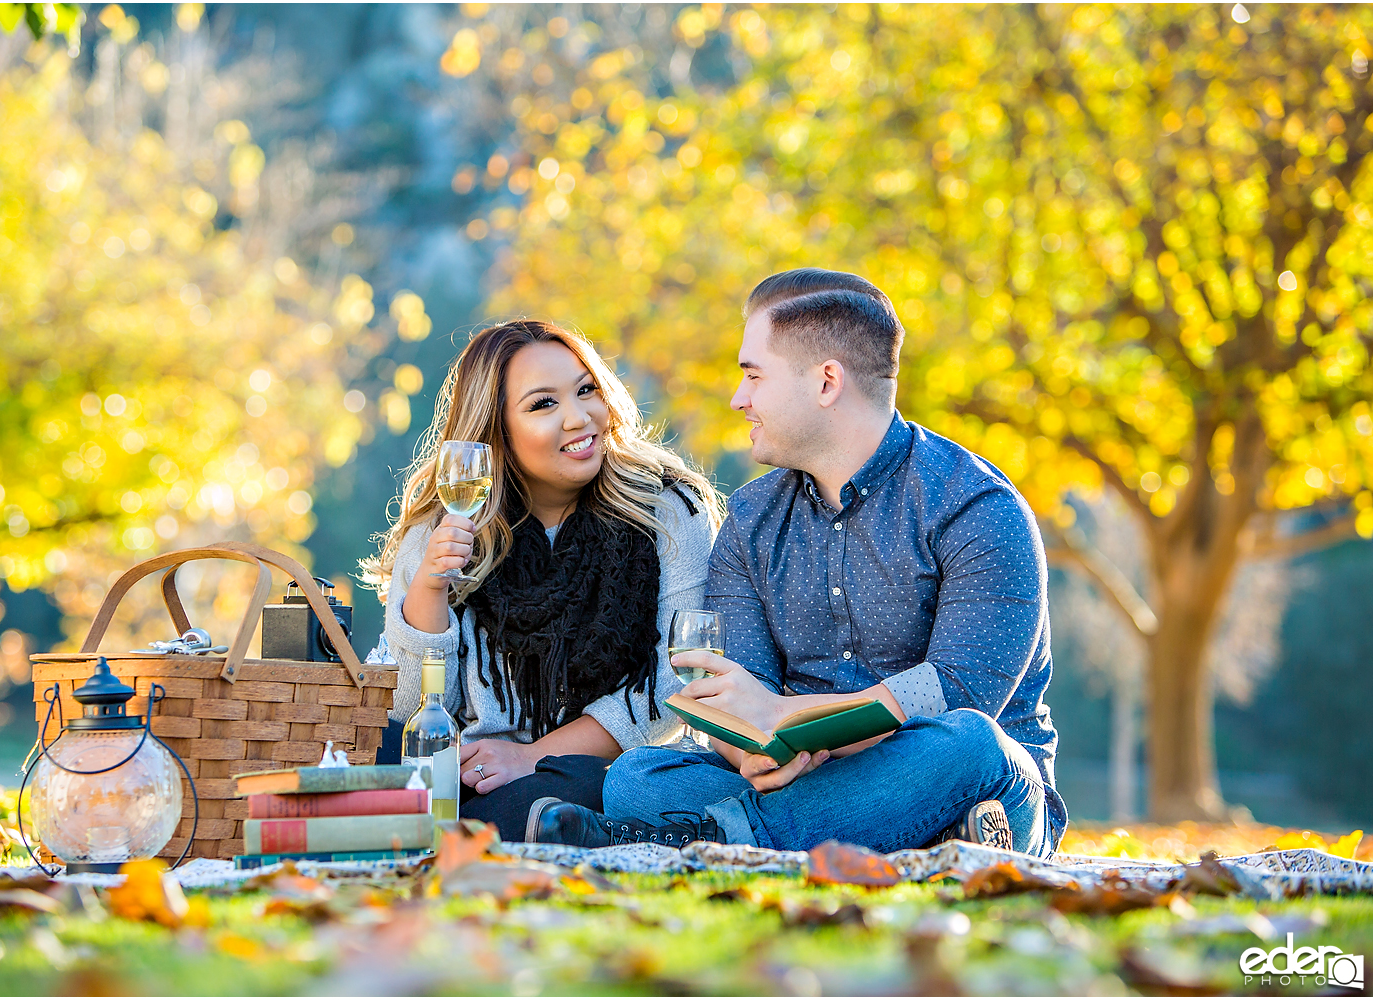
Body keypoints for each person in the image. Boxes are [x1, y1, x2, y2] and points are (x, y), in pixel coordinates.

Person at [533, 269, 1068, 857]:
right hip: (802, 779)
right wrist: (753, 749)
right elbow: (743, 699)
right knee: (636, 776)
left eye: (753, 375)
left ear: (826, 382)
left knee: (972, 745)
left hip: (949, 769)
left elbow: (956, 692)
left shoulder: (976, 508)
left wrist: (787, 714)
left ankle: (716, 835)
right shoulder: (750, 520)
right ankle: (905, 838)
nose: (738, 399)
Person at [361, 319, 720, 842]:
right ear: (496, 430)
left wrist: (530, 756)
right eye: (543, 404)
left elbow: (673, 687)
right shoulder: (445, 525)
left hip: (595, 765)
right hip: (465, 768)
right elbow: (407, 709)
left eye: (585, 390)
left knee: (593, 790)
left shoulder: (666, 512)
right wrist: (429, 588)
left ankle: (479, 832)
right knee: (379, 755)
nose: (579, 417)